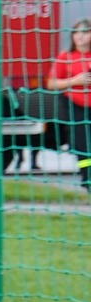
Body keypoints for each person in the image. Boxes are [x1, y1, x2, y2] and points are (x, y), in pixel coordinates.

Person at [36, 19, 91, 186]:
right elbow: (51, 83)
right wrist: (75, 80)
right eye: (76, 32)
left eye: (85, 32)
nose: (80, 36)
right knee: (82, 145)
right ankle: (87, 179)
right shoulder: (65, 57)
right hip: (75, 106)